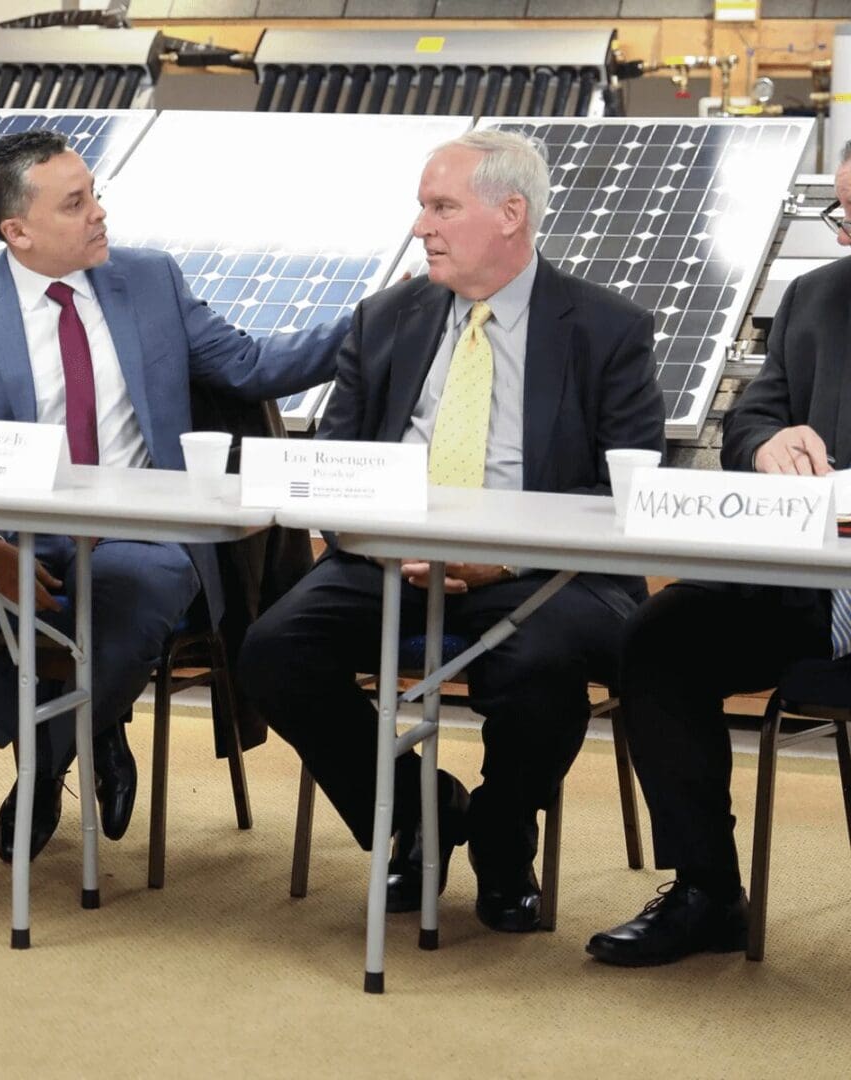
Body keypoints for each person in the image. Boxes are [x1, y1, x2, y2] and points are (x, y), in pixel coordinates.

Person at [0, 129, 344, 864]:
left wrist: (374, 324)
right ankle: (89, 729)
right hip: (11, 531)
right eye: (76, 203)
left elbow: (250, 367)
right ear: (16, 231)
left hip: (142, 530)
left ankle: (45, 764)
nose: (99, 214)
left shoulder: (150, 280)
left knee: (128, 603)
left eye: (95, 195)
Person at [238, 129, 665, 933]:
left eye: (441, 207)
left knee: (539, 663)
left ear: (511, 214)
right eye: (421, 206)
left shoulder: (607, 329)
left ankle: (505, 836)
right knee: (273, 649)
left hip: (549, 574)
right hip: (389, 561)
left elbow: (624, 491)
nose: (420, 227)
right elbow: (332, 459)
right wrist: (386, 540)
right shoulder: (386, 317)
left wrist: (500, 561)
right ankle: (419, 813)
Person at [585, 146, 851, 967]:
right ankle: (706, 892)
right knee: (658, 638)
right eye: (846, 215)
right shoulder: (814, 297)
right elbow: (747, 421)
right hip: (805, 589)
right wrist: (769, 444)